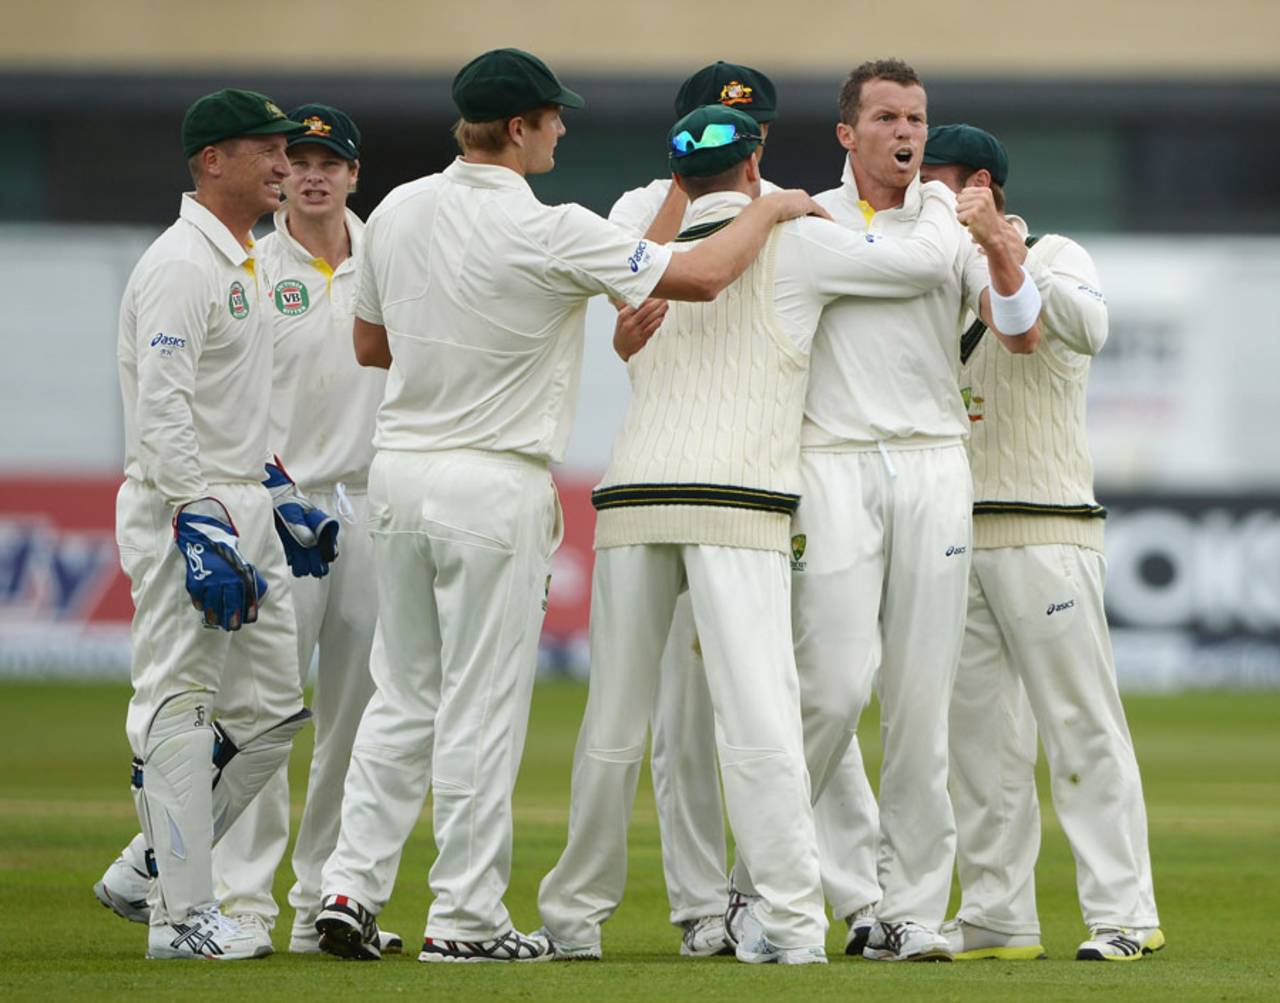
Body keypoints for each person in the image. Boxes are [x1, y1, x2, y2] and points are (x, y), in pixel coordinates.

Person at [313, 48, 829, 964]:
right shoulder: (553, 229)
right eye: (552, 118)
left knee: (402, 694)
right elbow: (703, 275)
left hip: (398, 472)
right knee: (480, 706)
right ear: (518, 127)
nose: (561, 129)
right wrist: (779, 204)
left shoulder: (393, 209)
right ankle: (465, 920)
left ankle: (348, 886)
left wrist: (456, 352)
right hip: (491, 480)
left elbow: (368, 343)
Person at [537, 103, 964, 965]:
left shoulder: (647, 249)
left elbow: (653, 291)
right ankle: (795, 925)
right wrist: (943, 201)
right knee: (764, 720)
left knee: (614, 725)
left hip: (631, 500)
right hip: (738, 501)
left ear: (677, 174)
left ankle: (572, 920)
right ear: (756, 158)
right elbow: (921, 265)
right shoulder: (797, 236)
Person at [609, 60, 882, 959]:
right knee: (684, 713)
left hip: (780, 477)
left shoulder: (807, 211)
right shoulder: (644, 203)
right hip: (686, 471)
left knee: (806, 695)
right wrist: (707, 203)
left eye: (746, 121)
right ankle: (701, 905)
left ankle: (833, 889)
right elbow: (631, 291)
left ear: (764, 133)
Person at [782, 59, 1043, 962]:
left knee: (921, 700)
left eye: (919, 118)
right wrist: (950, 220)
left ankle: (909, 911)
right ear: (848, 133)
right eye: (888, 117)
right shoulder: (808, 215)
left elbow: (1019, 331)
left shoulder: (959, 223)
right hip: (836, 458)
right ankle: (774, 878)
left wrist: (1001, 244)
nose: (907, 132)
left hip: (935, 459)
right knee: (834, 686)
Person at [96, 89, 337, 960]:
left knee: (272, 713)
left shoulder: (246, 262)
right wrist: (197, 518)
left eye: (287, 152)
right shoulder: (179, 264)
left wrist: (280, 495)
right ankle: (180, 917)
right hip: (182, 503)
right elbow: (162, 406)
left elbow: (238, 406)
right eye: (266, 152)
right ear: (212, 162)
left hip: (241, 499)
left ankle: (145, 866)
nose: (285, 165)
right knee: (181, 702)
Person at [919, 123, 1165, 963]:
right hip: (959, 537)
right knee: (980, 743)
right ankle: (996, 913)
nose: (925, 196)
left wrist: (999, 246)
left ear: (981, 183)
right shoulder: (933, 275)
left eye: (939, 181)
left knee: (1080, 727)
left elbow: (1088, 329)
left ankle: (1124, 912)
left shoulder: (1060, 254)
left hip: (1049, 529)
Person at [207, 103, 402, 958]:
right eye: (303, 160)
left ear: (355, 175)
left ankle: (325, 895)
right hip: (278, 505)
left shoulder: (387, 259)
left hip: (367, 501)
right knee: (265, 709)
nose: (316, 174)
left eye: (333, 161)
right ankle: (242, 902)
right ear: (284, 173)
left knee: (354, 718)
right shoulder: (251, 265)